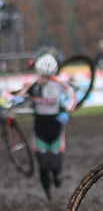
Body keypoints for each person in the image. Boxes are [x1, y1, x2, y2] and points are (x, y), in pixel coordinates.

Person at [10, 53, 77, 200]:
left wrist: (67, 112)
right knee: (43, 165)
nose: (44, 80)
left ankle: (57, 176)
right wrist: (15, 102)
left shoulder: (59, 83)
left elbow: (73, 97)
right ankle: (48, 196)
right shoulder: (30, 84)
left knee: (55, 166)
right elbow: (13, 96)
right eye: (42, 76)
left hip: (56, 127)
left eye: (48, 77)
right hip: (39, 127)